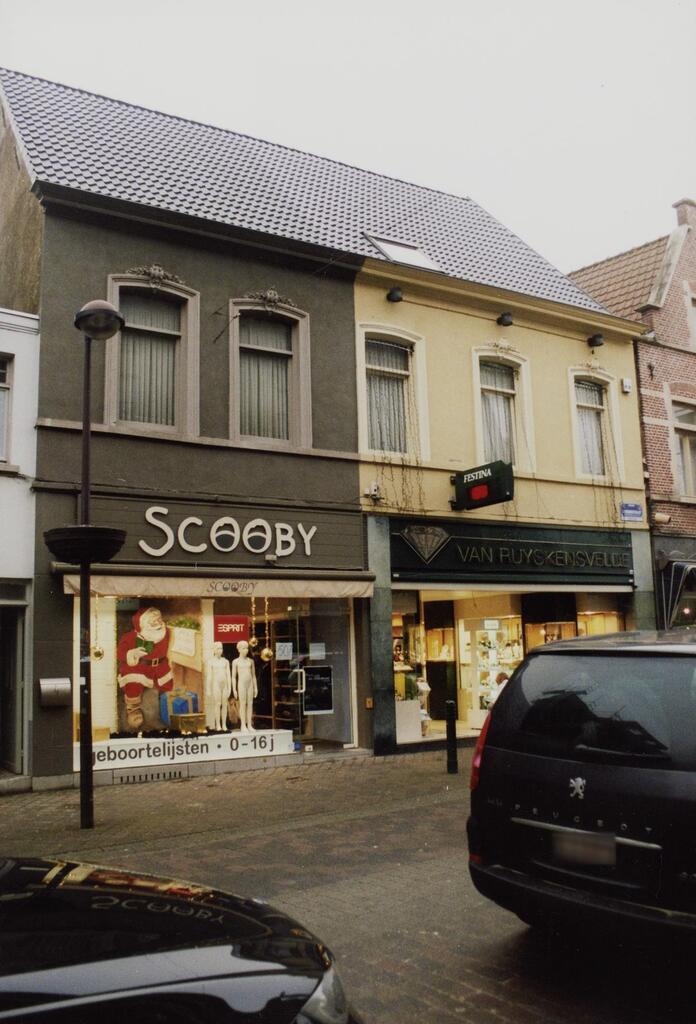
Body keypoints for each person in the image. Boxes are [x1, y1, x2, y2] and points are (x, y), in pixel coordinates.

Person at [117, 606, 173, 731]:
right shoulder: (130, 637)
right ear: (144, 624)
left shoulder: (166, 632)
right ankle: (133, 709)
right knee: (133, 683)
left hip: (161, 666)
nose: (158, 622)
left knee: (167, 686)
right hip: (140, 667)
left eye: (159, 619)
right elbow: (120, 653)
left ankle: (166, 708)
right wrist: (133, 653)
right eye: (153, 621)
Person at [205, 641, 232, 731]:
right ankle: (218, 725)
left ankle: (224, 724)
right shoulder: (211, 662)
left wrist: (229, 688)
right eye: (218, 648)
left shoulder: (225, 661)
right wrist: (208, 689)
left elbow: (228, 675)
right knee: (217, 704)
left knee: (225, 704)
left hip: (224, 685)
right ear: (214, 650)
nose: (220, 650)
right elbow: (209, 676)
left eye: (221, 648)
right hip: (216, 684)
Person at [232, 639, 258, 733]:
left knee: (250, 704)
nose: (246, 650)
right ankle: (243, 724)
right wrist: (234, 689)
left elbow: (253, 675)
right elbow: (233, 677)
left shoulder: (250, 661)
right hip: (241, 684)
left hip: (250, 684)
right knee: (242, 704)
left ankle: (249, 724)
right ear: (239, 649)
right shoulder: (235, 662)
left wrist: (255, 687)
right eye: (243, 648)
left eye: (247, 648)